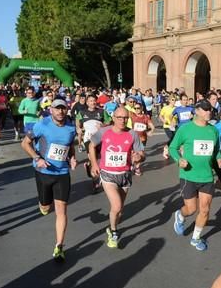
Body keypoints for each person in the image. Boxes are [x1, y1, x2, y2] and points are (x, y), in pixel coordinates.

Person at [21, 99, 77, 262]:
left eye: (63, 109)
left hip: (62, 173)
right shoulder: (42, 125)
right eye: (57, 109)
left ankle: (59, 246)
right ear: (51, 110)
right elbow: (25, 143)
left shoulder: (71, 126)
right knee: (45, 206)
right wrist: (37, 158)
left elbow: (70, 146)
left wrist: (72, 158)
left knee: (62, 211)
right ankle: (43, 204)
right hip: (43, 171)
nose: (60, 112)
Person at [169, 99, 221, 252]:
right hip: (188, 175)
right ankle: (180, 215)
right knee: (191, 209)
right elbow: (172, 148)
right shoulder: (185, 129)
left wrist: (219, 158)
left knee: (205, 209)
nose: (209, 112)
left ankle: (196, 238)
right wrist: (178, 159)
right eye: (205, 109)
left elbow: (215, 151)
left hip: (207, 176)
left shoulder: (213, 130)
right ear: (197, 110)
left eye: (210, 109)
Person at [88, 106, 145, 248]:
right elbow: (91, 145)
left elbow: (141, 153)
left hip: (125, 174)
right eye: (119, 117)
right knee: (117, 205)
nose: (123, 120)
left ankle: (111, 226)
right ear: (113, 118)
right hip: (108, 174)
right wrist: (94, 164)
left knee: (119, 211)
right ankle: (113, 231)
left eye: (125, 118)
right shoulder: (104, 132)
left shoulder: (132, 134)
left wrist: (139, 157)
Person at [128, 102, 155, 175]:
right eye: (135, 108)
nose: (136, 110)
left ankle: (137, 167)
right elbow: (123, 110)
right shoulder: (132, 115)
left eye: (138, 108)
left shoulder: (145, 117)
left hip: (142, 139)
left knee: (141, 155)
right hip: (133, 138)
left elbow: (152, 126)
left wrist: (151, 131)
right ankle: (131, 165)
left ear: (142, 108)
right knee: (132, 153)